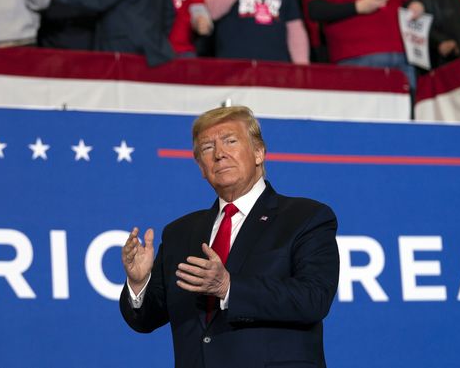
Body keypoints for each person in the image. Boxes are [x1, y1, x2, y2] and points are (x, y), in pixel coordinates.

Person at [120, 105, 339, 368]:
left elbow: (313, 299)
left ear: (259, 152)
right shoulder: (180, 232)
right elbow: (145, 320)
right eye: (207, 148)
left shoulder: (306, 217)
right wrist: (139, 283)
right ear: (201, 167)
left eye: (230, 141)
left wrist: (229, 287)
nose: (219, 154)